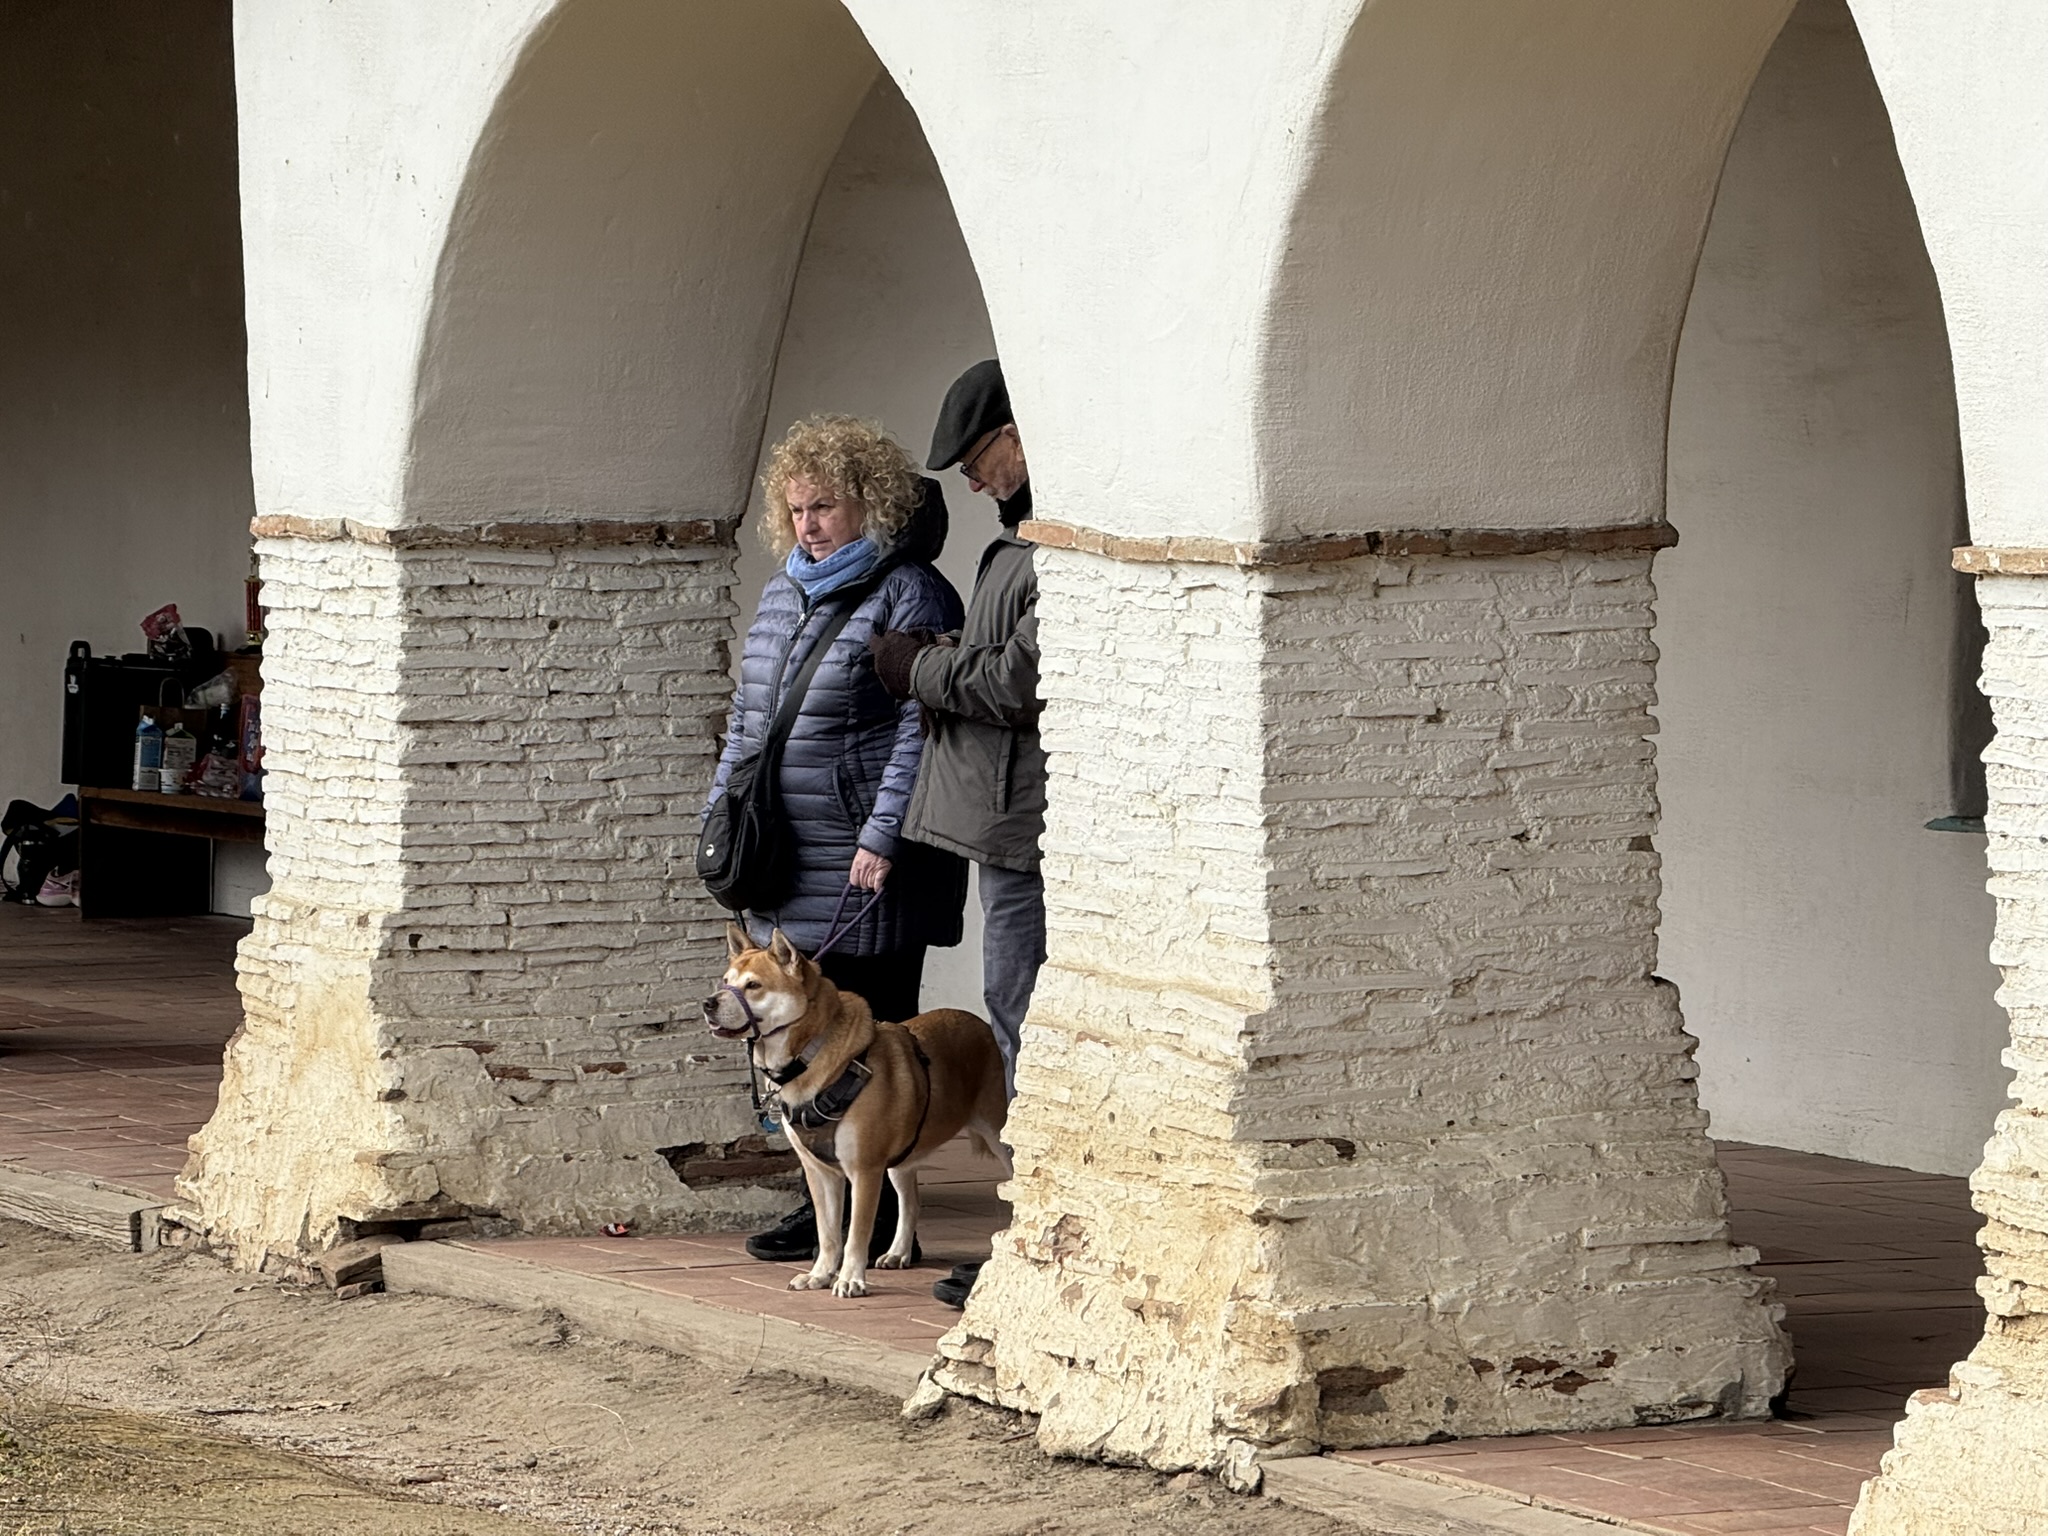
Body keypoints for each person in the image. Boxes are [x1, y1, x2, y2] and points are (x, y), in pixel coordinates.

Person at [709, 415, 967, 1265]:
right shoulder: (786, 591)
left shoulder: (911, 593)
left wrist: (884, 833)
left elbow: (918, 730)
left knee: (873, 1043)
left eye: (827, 505)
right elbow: (750, 722)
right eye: (799, 509)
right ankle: (821, 1201)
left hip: (866, 854)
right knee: (798, 1038)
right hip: (786, 850)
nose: (810, 524)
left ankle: (887, 1216)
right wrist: (722, 819)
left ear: (871, 503)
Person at [868, 360, 1046, 1309]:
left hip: (1022, 821)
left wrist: (919, 668)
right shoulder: (1008, 548)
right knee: (1010, 1005)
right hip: (997, 819)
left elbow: (1014, 682)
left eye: (980, 458)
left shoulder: (1043, 553)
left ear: (1023, 435)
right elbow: (984, 659)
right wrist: (942, 660)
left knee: (1019, 1015)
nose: (972, 481)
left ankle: (1034, 1231)